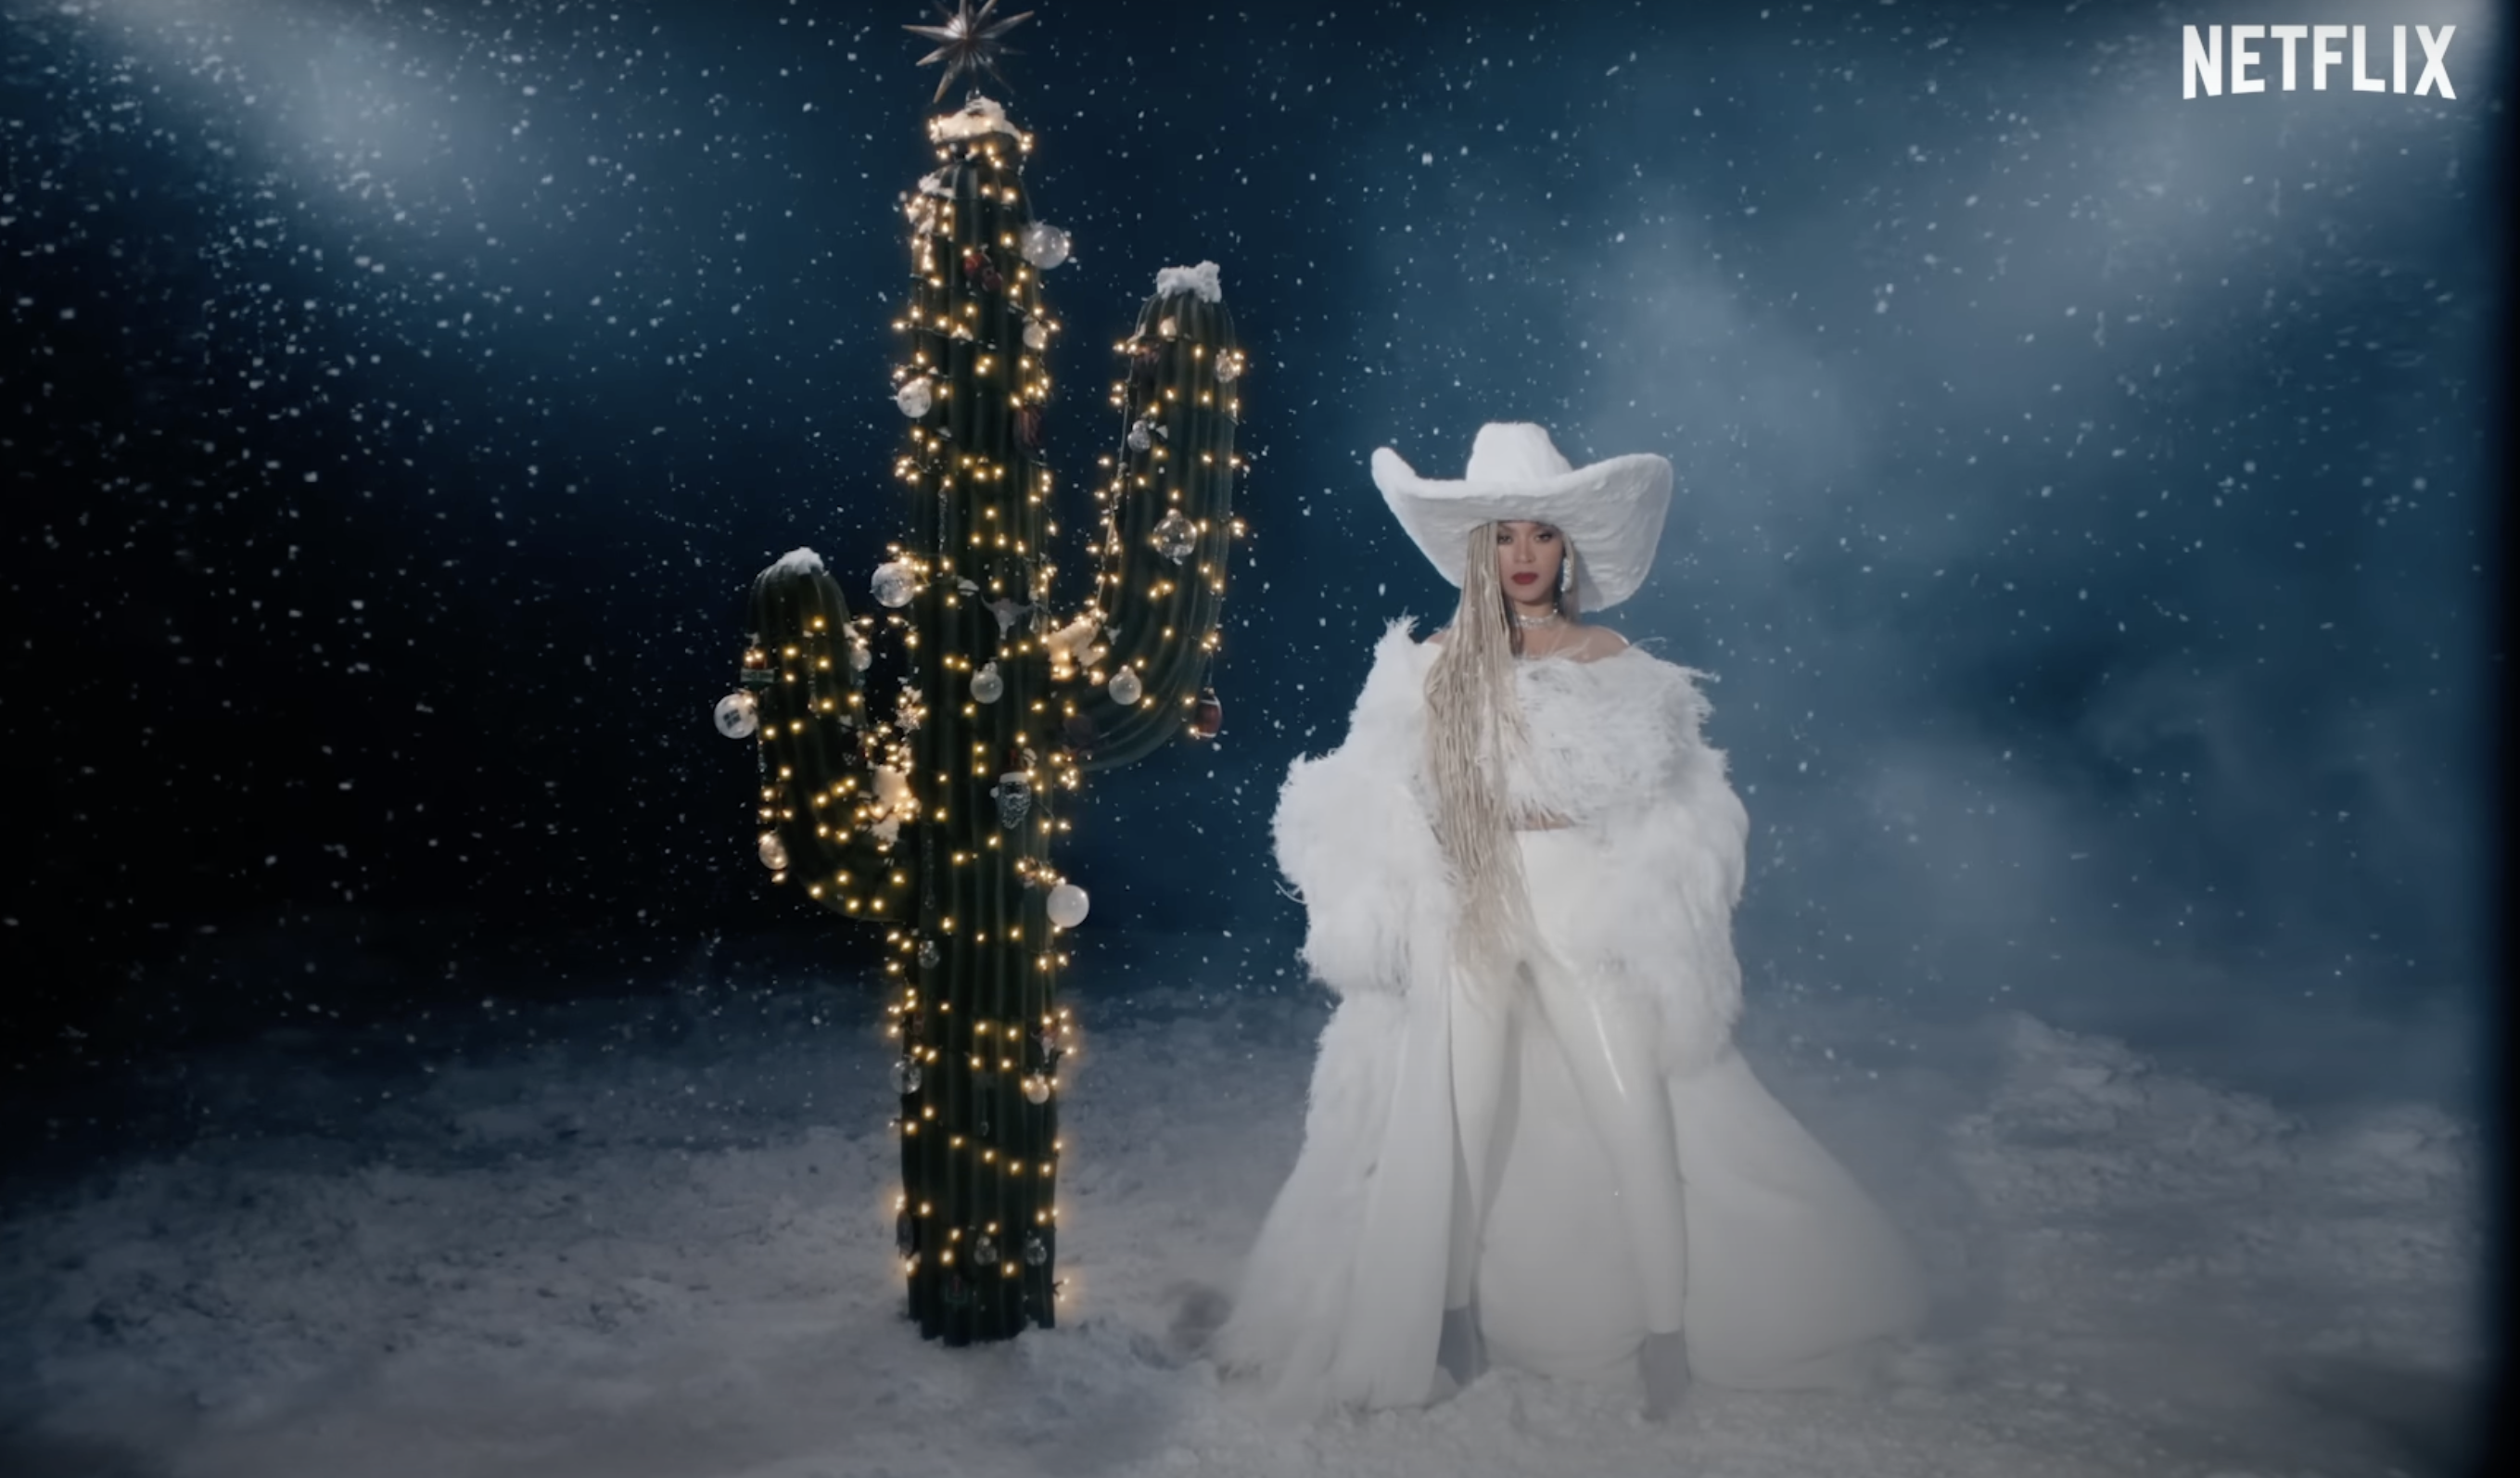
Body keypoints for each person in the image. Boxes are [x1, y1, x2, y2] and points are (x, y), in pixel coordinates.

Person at [1215, 423, 1928, 1419]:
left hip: (1577, 915)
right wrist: (1425, 844)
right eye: (1504, 535)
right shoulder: (1430, 665)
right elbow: (1376, 796)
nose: (1521, 556)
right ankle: (1454, 1323)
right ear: (1480, 547)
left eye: (1540, 535)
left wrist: (1533, 812)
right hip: (1466, 915)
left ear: (1568, 548)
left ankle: (1665, 1336)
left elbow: (1643, 797)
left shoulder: (1612, 660)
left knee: (1634, 1115)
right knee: (1456, 1120)